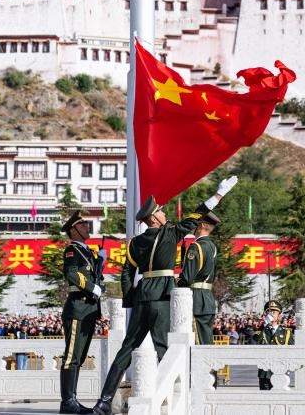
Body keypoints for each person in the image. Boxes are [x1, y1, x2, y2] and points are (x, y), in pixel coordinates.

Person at [92, 176, 237, 415]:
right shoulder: (170, 234)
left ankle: (104, 402)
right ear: (153, 218)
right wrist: (219, 194)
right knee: (165, 349)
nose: (164, 213)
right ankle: (171, 400)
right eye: (160, 211)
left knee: (126, 349)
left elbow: (126, 274)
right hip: (163, 296)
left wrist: (131, 299)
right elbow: (198, 214)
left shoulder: (134, 243)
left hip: (142, 298)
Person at [58, 210, 105, 414]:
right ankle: (67, 402)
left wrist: (99, 262)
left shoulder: (87, 251)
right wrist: (91, 287)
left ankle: (72, 400)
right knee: (71, 356)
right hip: (77, 307)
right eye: (83, 225)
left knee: (80, 357)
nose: (87, 227)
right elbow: (71, 272)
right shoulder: (72, 250)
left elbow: (94, 275)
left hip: (89, 309)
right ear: (73, 230)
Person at [177, 211, 220, 345]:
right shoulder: (212, 247)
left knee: (198, 344)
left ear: (200, 225)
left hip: (195, 299)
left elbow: (187, 278)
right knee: (206, 341)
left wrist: (174, 282)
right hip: (207, 298)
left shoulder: (196, 247)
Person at [256, 299, 293, 390]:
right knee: (264, 398)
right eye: (269, 313)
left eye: (274, 312)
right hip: (265, 371)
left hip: (280, 370)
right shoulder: (261, 331)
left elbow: (292, 351)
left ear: (279, 316)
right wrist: (264, 324)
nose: (271, 314)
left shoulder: (286, 333)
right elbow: (254, 340)